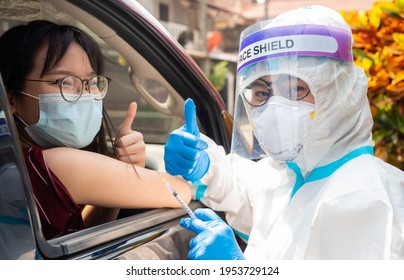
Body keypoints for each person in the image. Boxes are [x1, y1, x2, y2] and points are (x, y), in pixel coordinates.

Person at [164, 5, 404, 259]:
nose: (275, 107)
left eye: (295, 89)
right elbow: (247, 188)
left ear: (336, 92)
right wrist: (203, 164)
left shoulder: (361, 197)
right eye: (260, 92)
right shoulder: (292, 175)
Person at [0, 20, 191, 240]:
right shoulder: (57, 164)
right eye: (63, 81)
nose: (84, 95)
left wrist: (122, 171)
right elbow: (181, 192)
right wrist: (129, 173)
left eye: (90, 81)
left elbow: (79, 236)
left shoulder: (11, 162)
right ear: (10, 98)